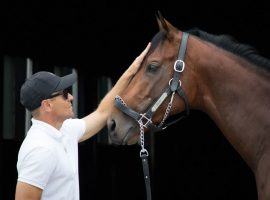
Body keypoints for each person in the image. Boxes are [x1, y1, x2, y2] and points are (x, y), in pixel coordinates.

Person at [15, 43, 151, 200]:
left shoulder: (65, 129)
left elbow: (102, 112)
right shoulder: (39, 149)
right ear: (47, 105)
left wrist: (133, 69)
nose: (71, 97)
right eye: (65, 94)